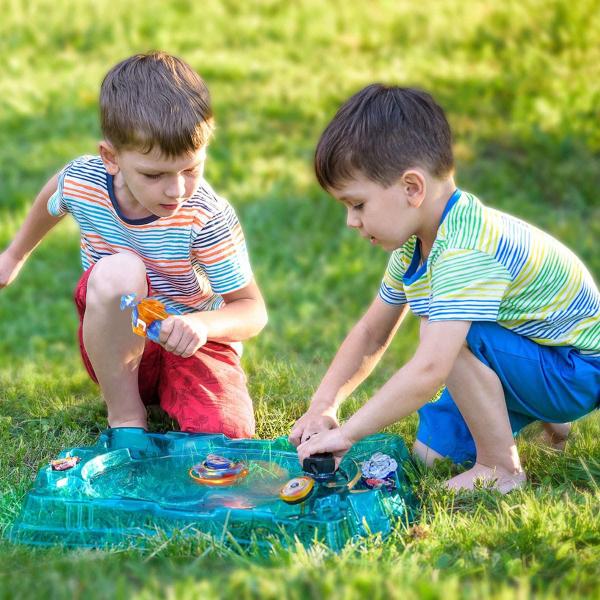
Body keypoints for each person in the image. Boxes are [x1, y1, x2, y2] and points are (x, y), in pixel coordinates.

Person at [290, 84, 599, 492]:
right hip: (533, 354)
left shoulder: (465, 249)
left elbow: (432, 366)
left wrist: (348, 433)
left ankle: (501, 468)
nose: (351, 221)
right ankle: (537, 412)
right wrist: (324, 405)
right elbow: (371, 333)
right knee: (430, 456)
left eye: (357, 204)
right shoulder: (416, 242)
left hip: (574, 369)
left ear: (412, 188)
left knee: (449, 334)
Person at [0, 52, 267, 437]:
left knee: (227, 436)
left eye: (191, 169)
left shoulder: (205, 216)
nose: (176, 190)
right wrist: (15, 254)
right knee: (121, 270)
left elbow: (252, 310)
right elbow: (54, 197)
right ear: (111, 158)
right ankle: (126, 419)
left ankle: (186, 399)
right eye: (154, 174)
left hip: (192, 347)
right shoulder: (85, 181)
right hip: (118, 344)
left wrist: (200, 325)